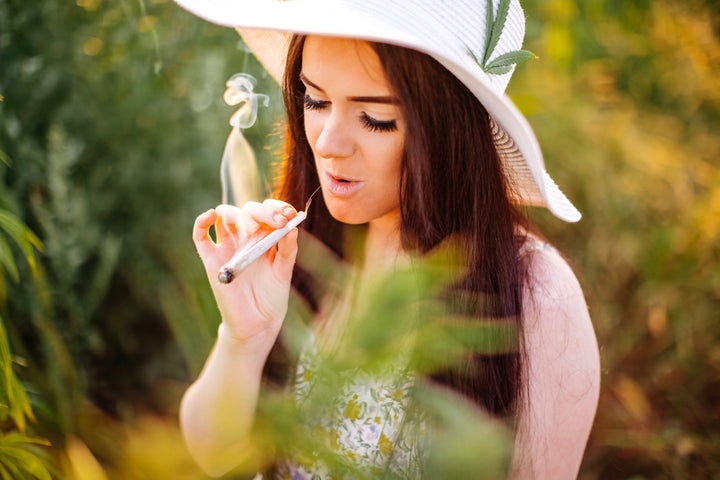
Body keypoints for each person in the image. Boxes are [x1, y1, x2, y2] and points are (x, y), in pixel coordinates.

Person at [177, 0, 601, 478]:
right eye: (315, 101)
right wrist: (244, 338)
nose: (327, 142)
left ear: (447, 130)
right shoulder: (302, 249)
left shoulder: (535, 296)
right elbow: (214, 455)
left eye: (375, 119)